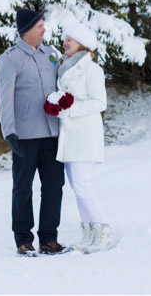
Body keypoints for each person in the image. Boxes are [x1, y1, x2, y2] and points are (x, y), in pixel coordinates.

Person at [0, 9, 67, 255]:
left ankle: (49, 239)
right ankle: (23, 240)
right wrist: (9, 133)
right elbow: (3, 98)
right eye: (39, 26)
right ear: (26, 30)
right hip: (25, 136)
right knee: (23, 188)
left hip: (52, 133)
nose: (44, 30)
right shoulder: (10, 59)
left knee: (54, 186)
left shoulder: (51, 55)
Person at [52, 21, 111, 253]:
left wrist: (69, 109)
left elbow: (100, 102)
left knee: (83, 185)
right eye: (64, 39)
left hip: (85, 135)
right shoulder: (66, 67)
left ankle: (103, 231)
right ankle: (88, 233)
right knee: (77, 187)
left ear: (83, 44)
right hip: (69, 136)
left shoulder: (92, 70)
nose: (64, 43)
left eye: (70, 39)